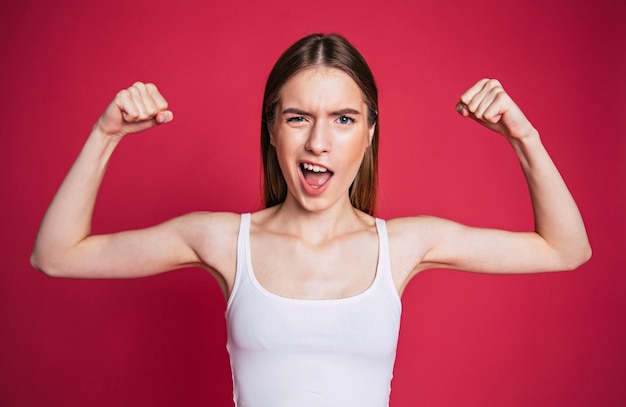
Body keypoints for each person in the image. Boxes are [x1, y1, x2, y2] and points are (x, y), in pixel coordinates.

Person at [31, 33, 591, 406]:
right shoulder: (225, 240)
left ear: (370, 133)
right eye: (298, 117)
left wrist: (523, 136)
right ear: (272, 129)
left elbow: (565, 248)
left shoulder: (405, 245)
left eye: (344, 119)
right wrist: (105, 136)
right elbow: (56, 255)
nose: (318, 142)